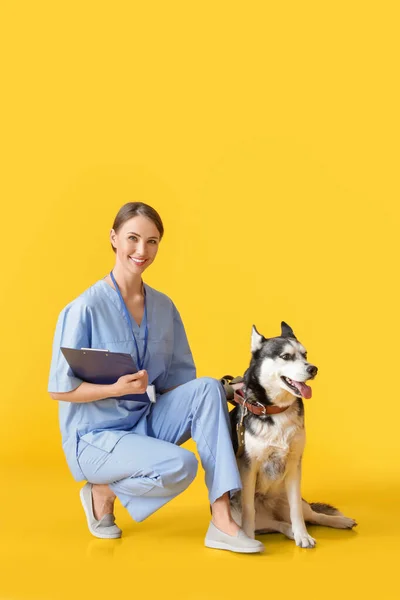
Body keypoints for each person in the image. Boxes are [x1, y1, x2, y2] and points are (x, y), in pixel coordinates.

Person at [48, 202, 264, 553]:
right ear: (114, 238)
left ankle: (221, 519)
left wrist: (224, 391)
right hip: (96, 438)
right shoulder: (83, 308)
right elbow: (60, 390)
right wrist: (114, 388)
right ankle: (101, 491)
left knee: (207, 386)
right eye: (133, 238)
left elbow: (180, 385)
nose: (141, 251)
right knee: (181, 465)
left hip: (145, 421)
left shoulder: (164, 307)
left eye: (152, 242)